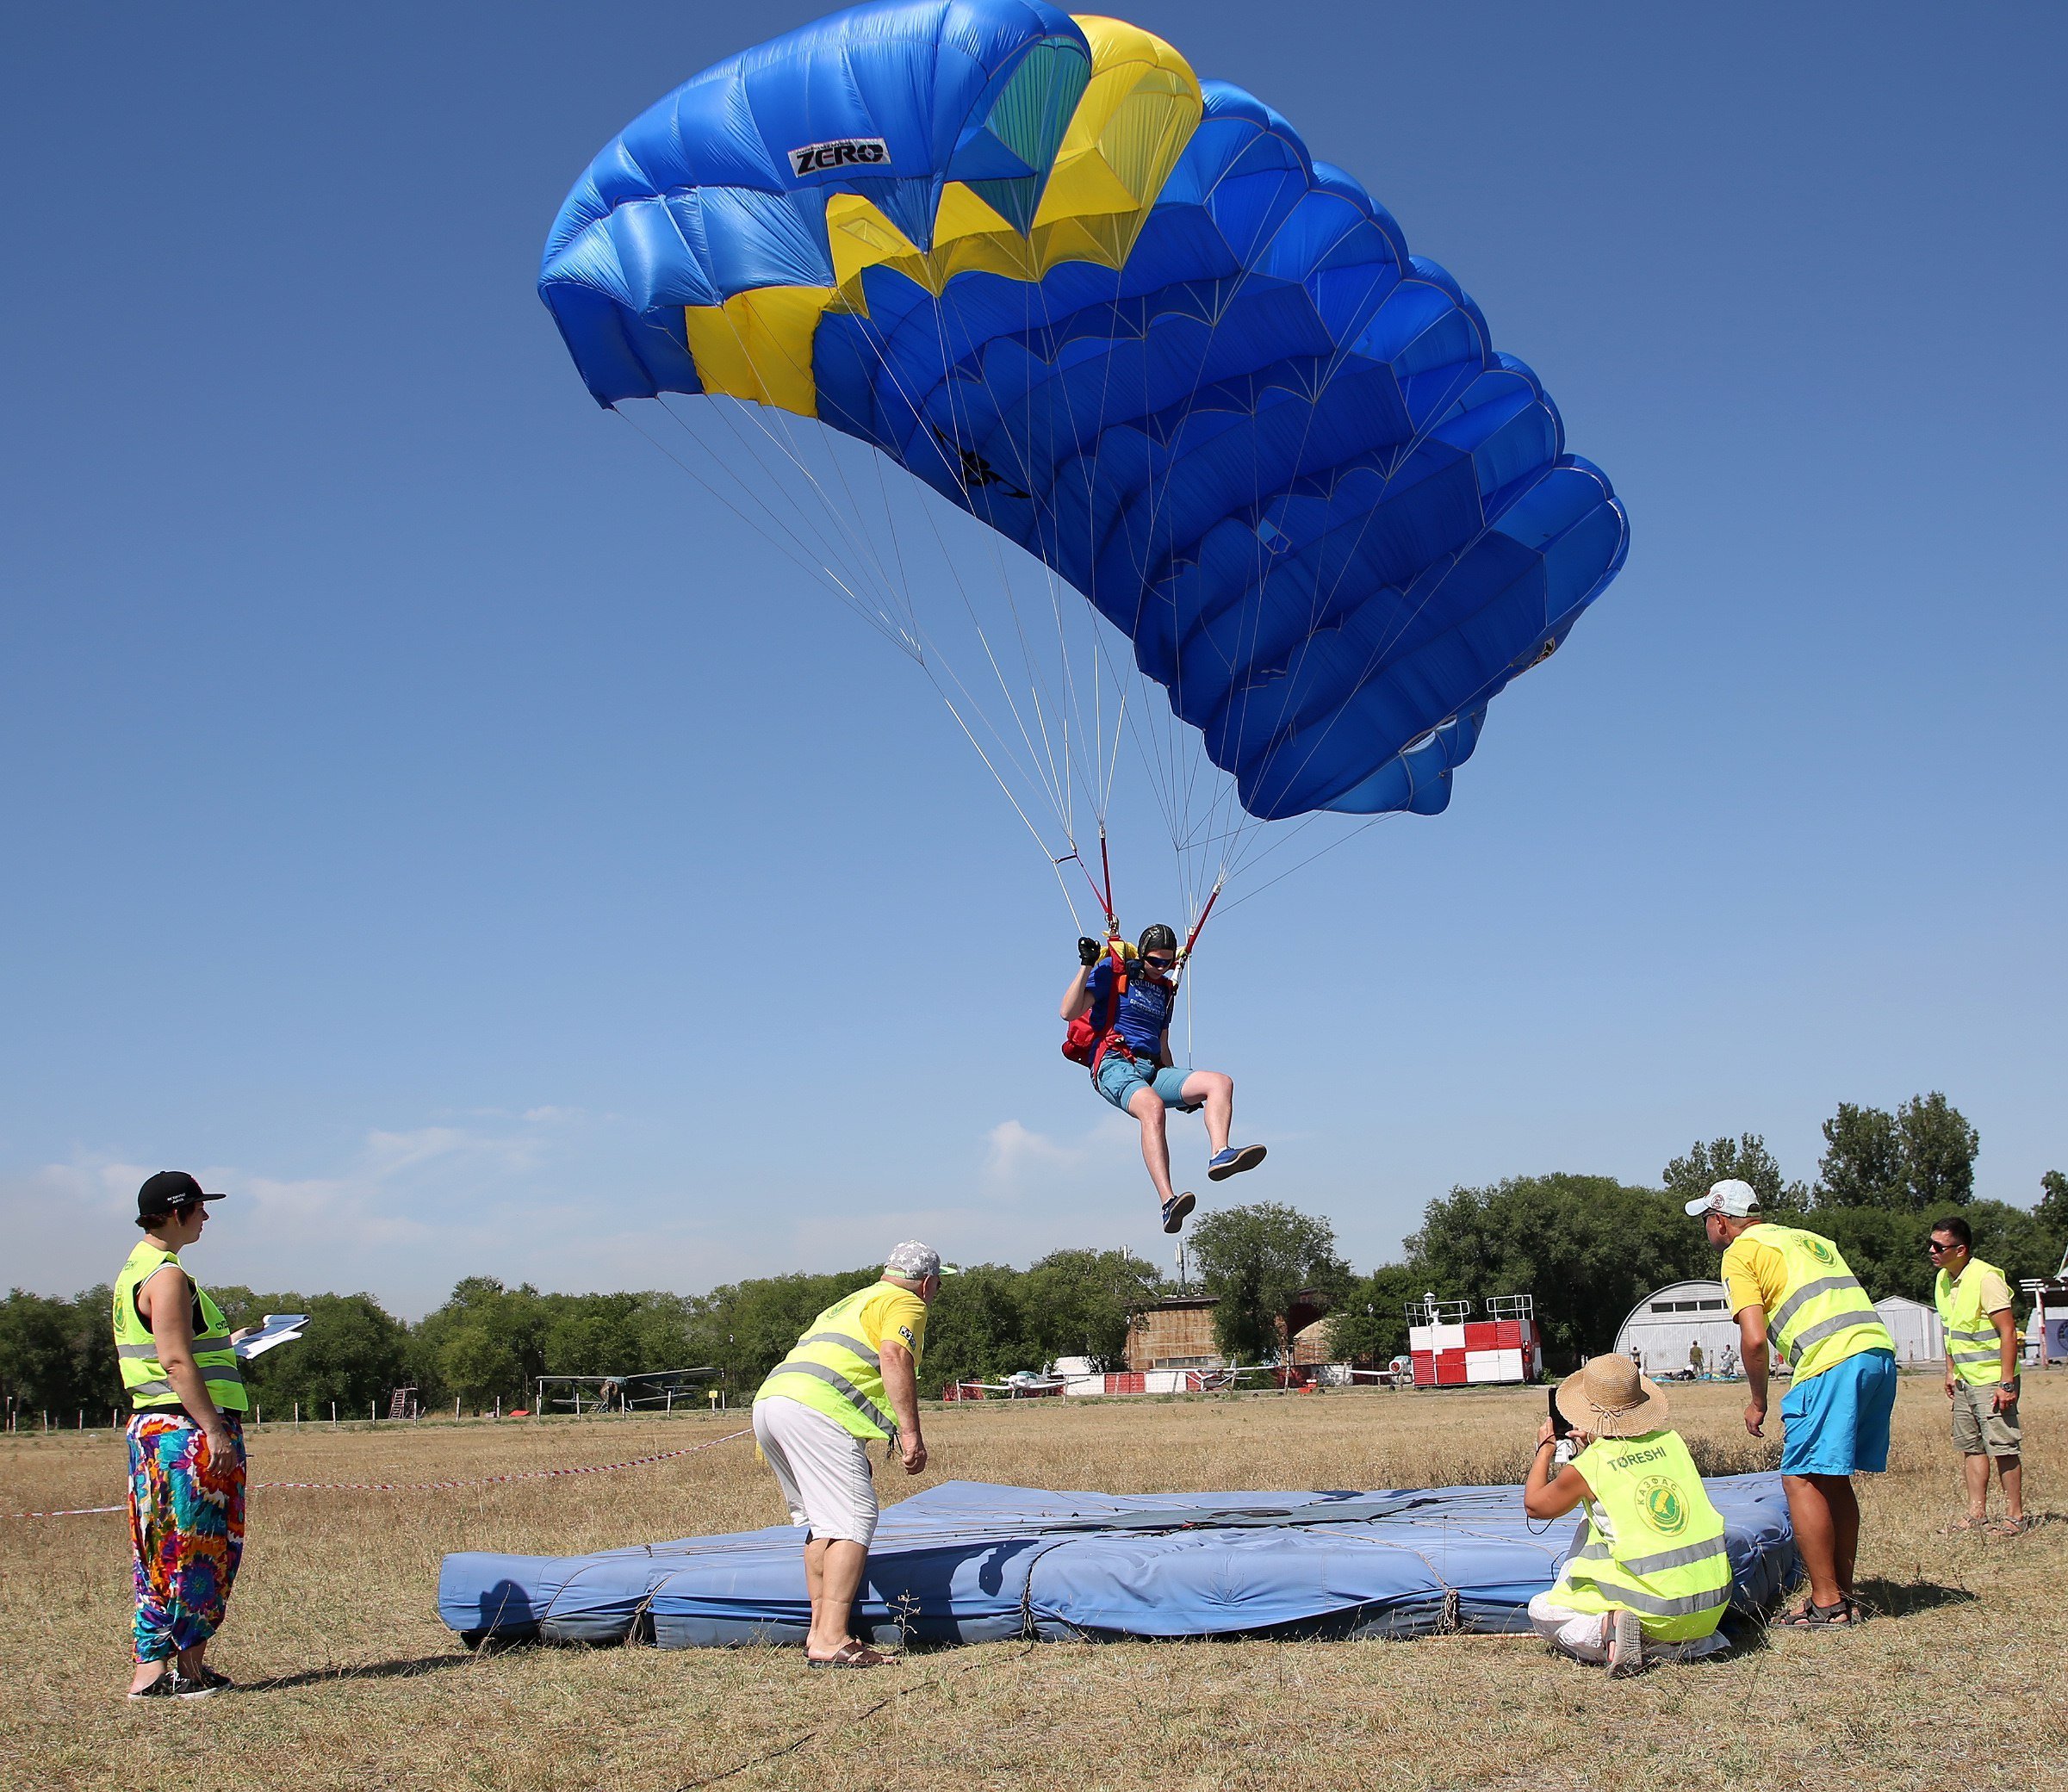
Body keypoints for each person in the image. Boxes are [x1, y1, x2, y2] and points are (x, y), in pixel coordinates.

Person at [1689, 1177, 1897, 1628]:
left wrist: (1757, 1399)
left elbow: (1754, 1337)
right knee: (1833, 1479)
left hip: (1829, 1362)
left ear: (1722, 1221)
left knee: (1800, 1479)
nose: (1706, 1228)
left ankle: (1826, 1602)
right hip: (1876, 1353)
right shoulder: (1808, 1238)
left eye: (1707, 1219)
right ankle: (1840, 1593)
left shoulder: (1739, 1253)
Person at [753, 1241, 949, 1668]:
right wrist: (911, 1433)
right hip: (817, 1410)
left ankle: (819, 1630)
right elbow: (894, 1355)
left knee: (820, 1523)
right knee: (855, 1517)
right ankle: (832, 1640)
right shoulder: (905, 1301)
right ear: (929, 1282)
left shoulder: (852, 1300)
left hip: (772, 1402)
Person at [114, 1170, 253, 1699]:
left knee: (158, 1548)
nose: (206, 1216)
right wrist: (213, 1429)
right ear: (176, 1213)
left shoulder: (136, 1269)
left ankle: (150, 1673)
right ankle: (187, 1671)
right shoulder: (168, 1276)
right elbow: (174, 1359)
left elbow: (171, 1348)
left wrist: (229, 1342)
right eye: (199, 1207)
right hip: (187, 1433)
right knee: (200, 1550)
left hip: (155, 1429)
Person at [1523, 1354, 1733, 1677]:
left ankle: (1609, 1629)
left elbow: (1536, 1506)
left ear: (1584, 1412)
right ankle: (1679, 1643)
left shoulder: (1591, 1466)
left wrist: (1545, 1450)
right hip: (1709, 1607)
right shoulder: (1673, 1444)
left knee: (1542, 1608)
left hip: (1654, 1606)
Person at [1059, 927, 1264, 1233]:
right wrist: (1086, 964)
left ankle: (1220, 1154)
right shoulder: (1115, 974)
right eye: (1155, 961)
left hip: (1152, 1069)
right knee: (1152, 1108)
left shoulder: (1165, 990)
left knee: (1220, 1083)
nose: (1161, 968)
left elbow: (1162, 1043)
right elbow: (1068, 1011)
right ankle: (1168, 1203)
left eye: (1167, 962)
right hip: (1113, 1063)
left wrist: (1182, 1090)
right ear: (1143, 955)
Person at [1929, 1215, 2027, 1535]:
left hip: (1992, 1381)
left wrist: (2006, 1382)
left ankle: (2015, 1516)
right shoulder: (1943, 1280)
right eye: (1930, 1244)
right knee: (1971, 1447)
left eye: (1938, 1246)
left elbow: (2008, 1331)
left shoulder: (1986, 1278)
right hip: (1964, 1380)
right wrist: (1950, 1371)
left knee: (2003, 1447)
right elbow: (1950, 1330)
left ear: (1960, 1249)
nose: (1931, 1250)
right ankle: (1976, 1514)